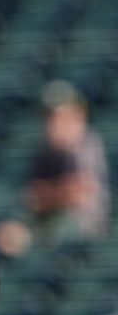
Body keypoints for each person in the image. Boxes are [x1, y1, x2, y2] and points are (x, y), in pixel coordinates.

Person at [24, 80, 110, 242]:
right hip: (48, 226)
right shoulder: (45, 150)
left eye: (60, 116)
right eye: (50, 116)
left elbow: (80, 193)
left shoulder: (87, 142)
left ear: (78, 113)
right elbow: (32, 198)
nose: (54, 123)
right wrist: (60, 193)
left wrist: (49, 195)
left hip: (83, 230)